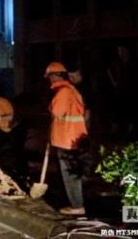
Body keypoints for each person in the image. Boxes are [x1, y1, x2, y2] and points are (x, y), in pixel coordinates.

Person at [45, 61, 88, 216]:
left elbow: (57, 112)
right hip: (73, 137)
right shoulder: (71, 90)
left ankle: (77, 206)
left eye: (50, 76)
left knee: (70, 174)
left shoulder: (64, 92)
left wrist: (50, 106)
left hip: (67, 139)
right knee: (73, 172)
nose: (49, 80)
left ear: (56, 75)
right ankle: (76, 202)